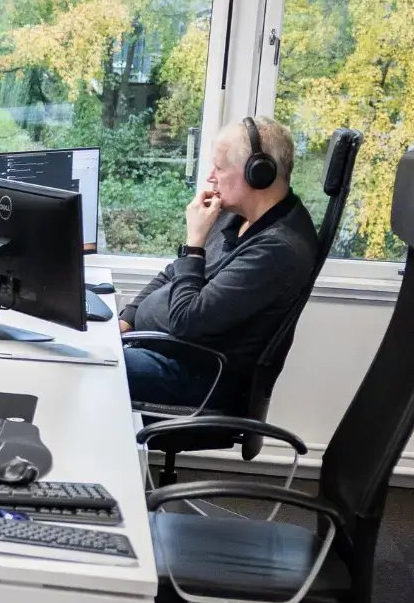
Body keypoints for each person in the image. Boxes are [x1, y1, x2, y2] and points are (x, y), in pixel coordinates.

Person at [121, 116, 320, 411]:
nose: (211, 177)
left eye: (220, 168)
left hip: (200, 377)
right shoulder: (236, 213)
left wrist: (195, 240)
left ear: (258, 174)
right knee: (90, 349)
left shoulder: (278, 249)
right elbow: (176, 272)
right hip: (167, 351)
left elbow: (186, 322)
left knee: (92, 366)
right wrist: (127, 319)